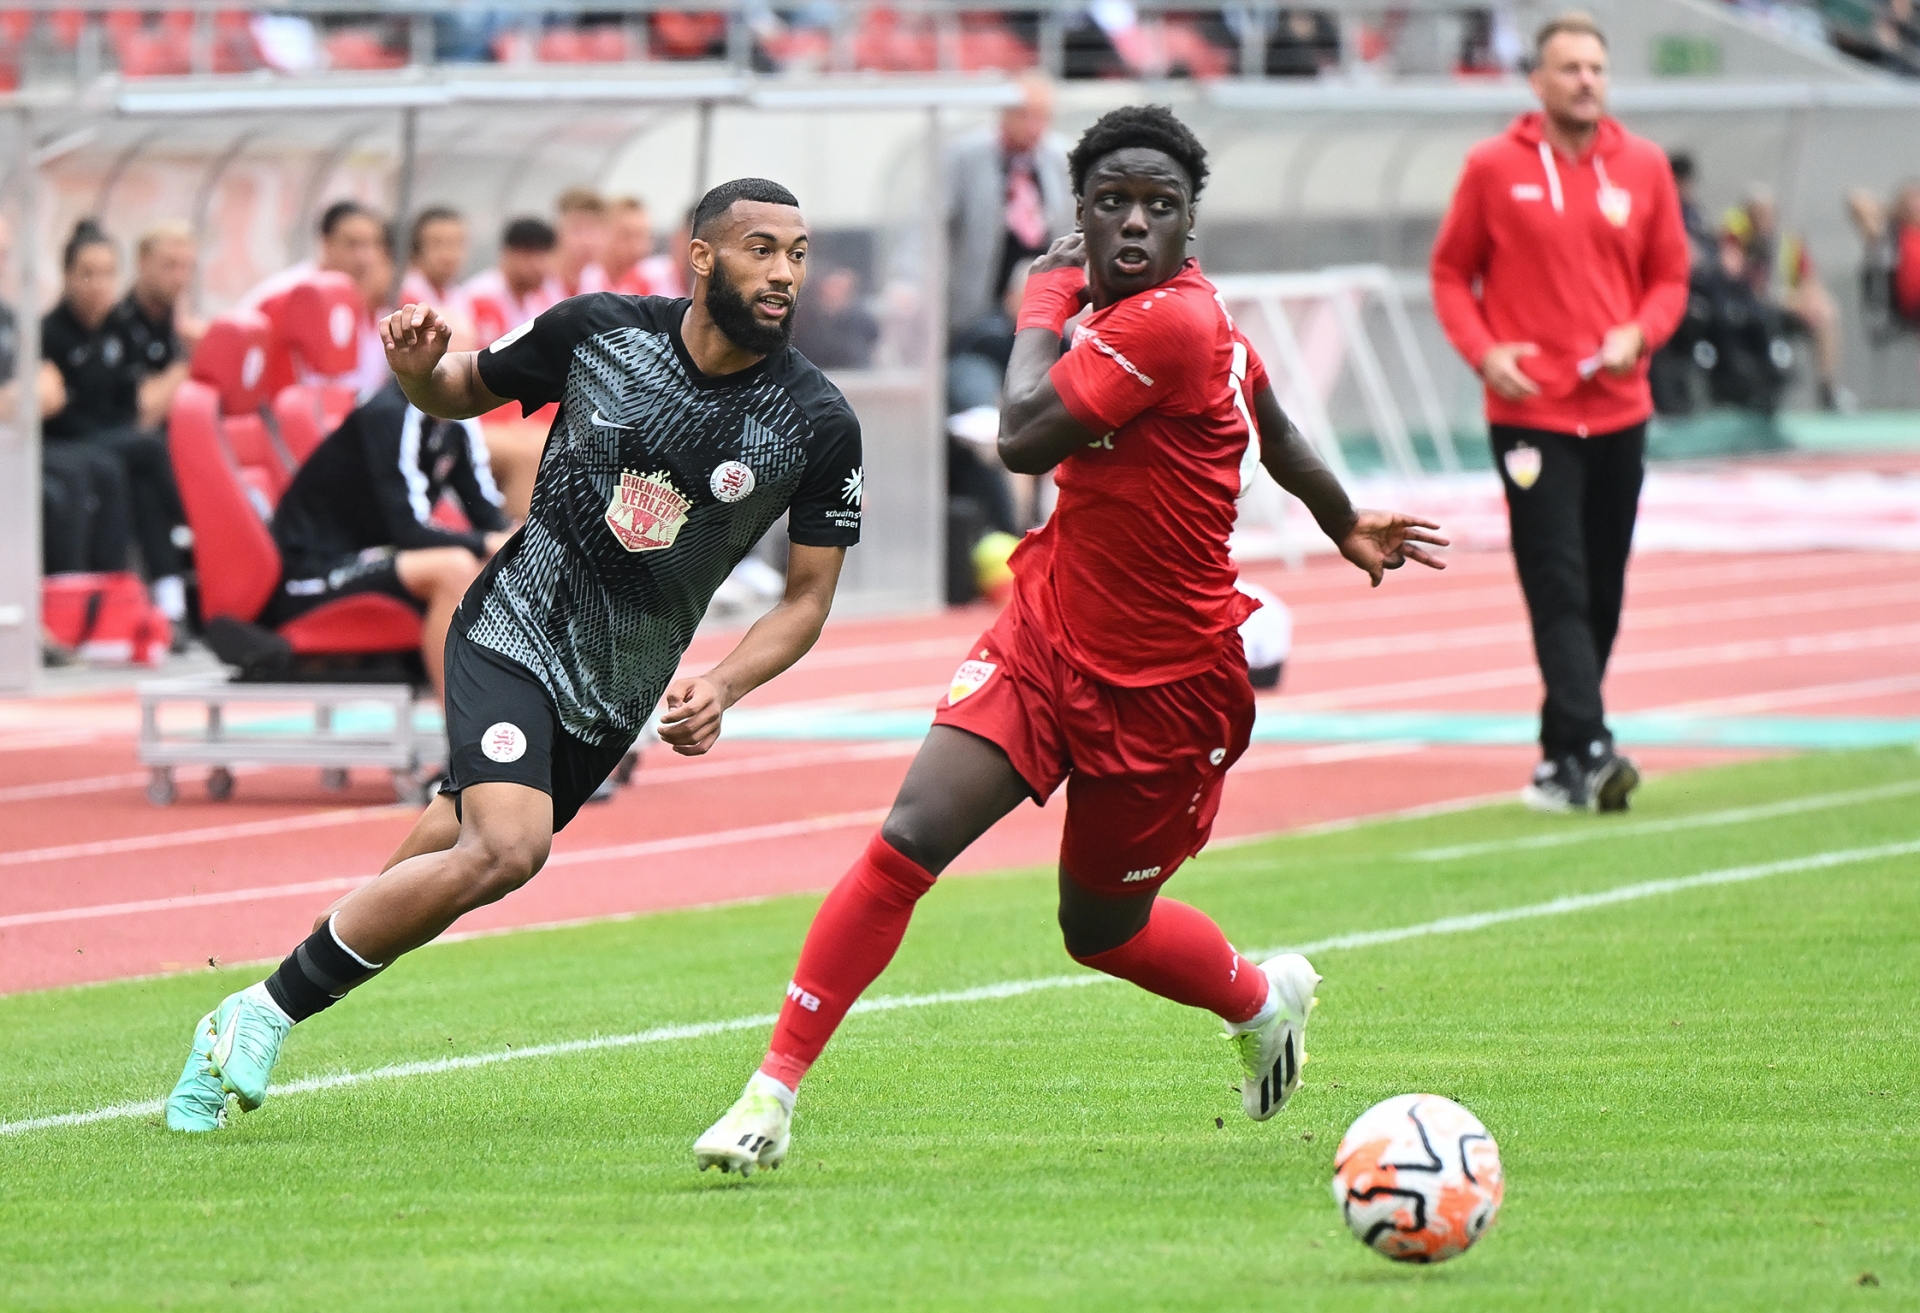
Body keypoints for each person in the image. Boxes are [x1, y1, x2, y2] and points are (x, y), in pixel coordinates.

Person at [693, 107, 1447, 1177]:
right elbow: (1271, 423)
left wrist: (1040, 302)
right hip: (1047, 637)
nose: (1134, 223)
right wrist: (1344, 518)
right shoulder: (1184, 322)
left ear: (1192, 225)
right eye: (1111, 203)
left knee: (1100, 928)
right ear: (1080, 212)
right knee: (906, 840)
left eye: (1160, 206)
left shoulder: (1171, 324)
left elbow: (1019, 433)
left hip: (1169, 686)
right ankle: (769, 1092)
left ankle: (1259, 994)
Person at [164, 177, 865, 1134]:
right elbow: (454, 390)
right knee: (508, 846)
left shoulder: (817, 423)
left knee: (452, 850)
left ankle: (237, 1025)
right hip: (514, 626)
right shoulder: (598, 330)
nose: (783, 272)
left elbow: (807, 598)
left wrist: (725, 680)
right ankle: (263, 1012)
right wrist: (417, 370)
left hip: (615, 690)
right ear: (701, 257)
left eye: (797, 252)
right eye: (760, 249)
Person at [1430, 11, 1688, 814]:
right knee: (1558, 581)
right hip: (1530, 414)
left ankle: (1560, 759)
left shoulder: (1643, 167)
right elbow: (1448, 275)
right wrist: (1485, 353)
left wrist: (1638, 333)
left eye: (1596, 69)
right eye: (1569, 68)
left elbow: (1671, 280)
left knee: (1603, 587)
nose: (1586, 81)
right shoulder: (1491, 166)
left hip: (1619, 410)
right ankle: (1594, 746)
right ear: (1536, 82)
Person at [262, 380, 512, 695]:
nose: (461, 372)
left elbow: (487, 515)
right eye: (447, 358)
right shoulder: (391, 413)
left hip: (371, 555)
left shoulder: (456, 418)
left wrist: (517, 541)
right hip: (310, 572)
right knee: (455, 568)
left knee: (509, 561)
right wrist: (486, 543)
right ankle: (466, 732)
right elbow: (409, 532)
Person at [41, 220, 191, 622]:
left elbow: (133, 404)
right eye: (87, 274)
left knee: (138, 475)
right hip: (66, 443)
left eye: (107, 274)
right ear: (68, 276)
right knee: (141, 450)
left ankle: (164, 595)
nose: (98, 285)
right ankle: (194, 519)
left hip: (111, 440)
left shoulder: (117, 331)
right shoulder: (50, 334)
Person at [242, 200, 392, 399]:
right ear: (327, 243)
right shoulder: (287, 293)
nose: (364, 257)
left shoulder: (372, 297)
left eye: (373, 244)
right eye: (353, 244)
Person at [1723, 187, 1846, 410]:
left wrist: (1810, 299)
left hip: (1785, 305)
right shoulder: (1735, 238)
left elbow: (1808, 278)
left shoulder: (1786, 240)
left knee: (1825, 312)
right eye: (1758, 213)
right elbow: (1737, 279)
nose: (1765, 219)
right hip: (1747, 307)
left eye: (1769, 213)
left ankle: (1827, 387)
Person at [464, 216, 559, 348]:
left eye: (543, 256)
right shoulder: (483, 295)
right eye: (530, 255)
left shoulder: (538, 300)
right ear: (509, 253)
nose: (539, 265)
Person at [398, 205, 478, 352]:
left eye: (457, 244)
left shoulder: (461, 295)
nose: (449, 254)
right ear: (417, 248)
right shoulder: (404, 294)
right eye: (437, 243)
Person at [552, 186, 609, 299]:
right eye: (577, 230)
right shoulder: (536, 283)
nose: (587, 241)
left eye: (593, 231)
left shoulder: (597, 281)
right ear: (558, 231)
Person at [603, 195, 656, 295]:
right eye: (626, 235)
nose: (635, 246)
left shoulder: (652, 283)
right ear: (604, 234)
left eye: (640, 236)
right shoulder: (585, 282)